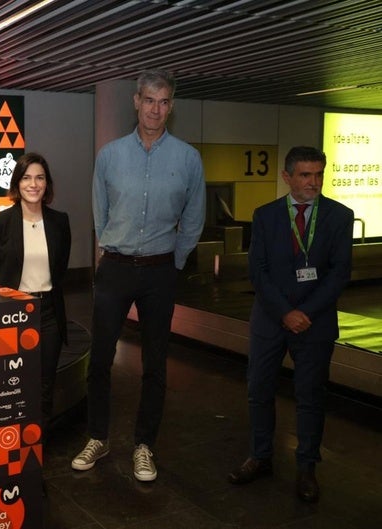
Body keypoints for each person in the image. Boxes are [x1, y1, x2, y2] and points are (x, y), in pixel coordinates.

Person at [71, 70, 205, 481]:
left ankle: (144, 445)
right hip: (115, 269)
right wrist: (110, 253)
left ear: (172, 106)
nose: (156, 110)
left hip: (160, 272)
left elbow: (194, 218)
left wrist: (174, 262)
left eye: (164, 102)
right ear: (136, 101)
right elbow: (100, 212)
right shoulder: (110, 155)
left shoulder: (187, 158)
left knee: (156, 365)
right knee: (101, 360)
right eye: (150, 100)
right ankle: (98, 437)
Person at [227, 146, 353, 503]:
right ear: (287, 177)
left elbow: (339, 272)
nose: (313, 182)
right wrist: (285, 312)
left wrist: (305, 312)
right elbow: (259, 271)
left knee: (311, 396)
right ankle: (260, 456)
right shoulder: (265, 216)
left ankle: (307, 467)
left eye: (318, 174)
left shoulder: (340, 216)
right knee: (259, 391)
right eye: (305, 175)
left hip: (316, 321)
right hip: (270, 319)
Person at [0, 152, 72, 438]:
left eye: (40, 177)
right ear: (16, 183)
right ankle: (10, 448)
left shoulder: (60, 222)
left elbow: (60, 271)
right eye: (27, 178)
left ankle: (35, 454)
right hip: (10, 314)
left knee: (43, 387)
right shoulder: (0, 223)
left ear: (47, 184)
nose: (33, 184)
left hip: (48, 315)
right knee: (11, 386)